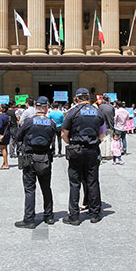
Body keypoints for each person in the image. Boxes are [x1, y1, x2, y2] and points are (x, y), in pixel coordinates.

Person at [62, 88, 106, 225]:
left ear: (76, 99)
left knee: (75, 182)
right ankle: (95, 213)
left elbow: (64, 133)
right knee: (92, 181)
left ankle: (74, 216)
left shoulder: (72, 112)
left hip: (76, 149)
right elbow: (102, 133)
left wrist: (72, 143)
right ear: (88, 98)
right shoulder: (98, 112)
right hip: (92, 150)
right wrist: (96, 142)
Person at [14, 96, 56, 229]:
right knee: (46, 188)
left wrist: (22, 147)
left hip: (29, 157)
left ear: (36, 107)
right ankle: (48, 216)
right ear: (47, 107)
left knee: (29, 189)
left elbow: (18, 136)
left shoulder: (29, 121)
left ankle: (29, 219)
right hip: (44, 158)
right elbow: (52, 139)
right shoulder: (51, 123)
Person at [98, 95, 115, 161]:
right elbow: (113, 115)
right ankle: (108, 154)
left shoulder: (100, 107)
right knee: (109, 140)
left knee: (102, 139)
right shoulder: (112, 107)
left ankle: (102, 154)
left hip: (102, 125)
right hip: (110, 125)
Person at [0, 104, 11, 170]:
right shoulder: (8, 116)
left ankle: (6, 164)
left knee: (3, 148)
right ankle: (5, 162)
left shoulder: (1, 116)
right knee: (5, 148)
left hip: (2, 134)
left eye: (0, 107)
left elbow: (0, 126)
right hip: (7, 133)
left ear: (3, 109)